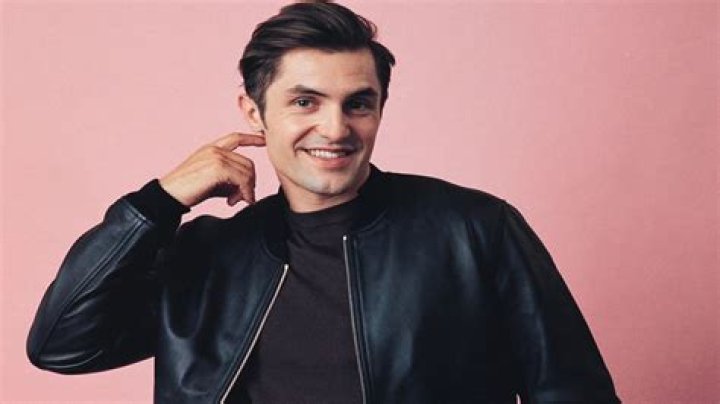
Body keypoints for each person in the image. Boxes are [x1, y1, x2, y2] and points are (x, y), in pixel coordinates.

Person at [26, 1, 621, 403]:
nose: (335, 129)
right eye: (305, 102)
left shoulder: (475, 229)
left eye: (357, 103)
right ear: (253, 111)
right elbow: (62, 346)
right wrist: (157, 204)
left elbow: (573, 392)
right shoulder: (207, 256)